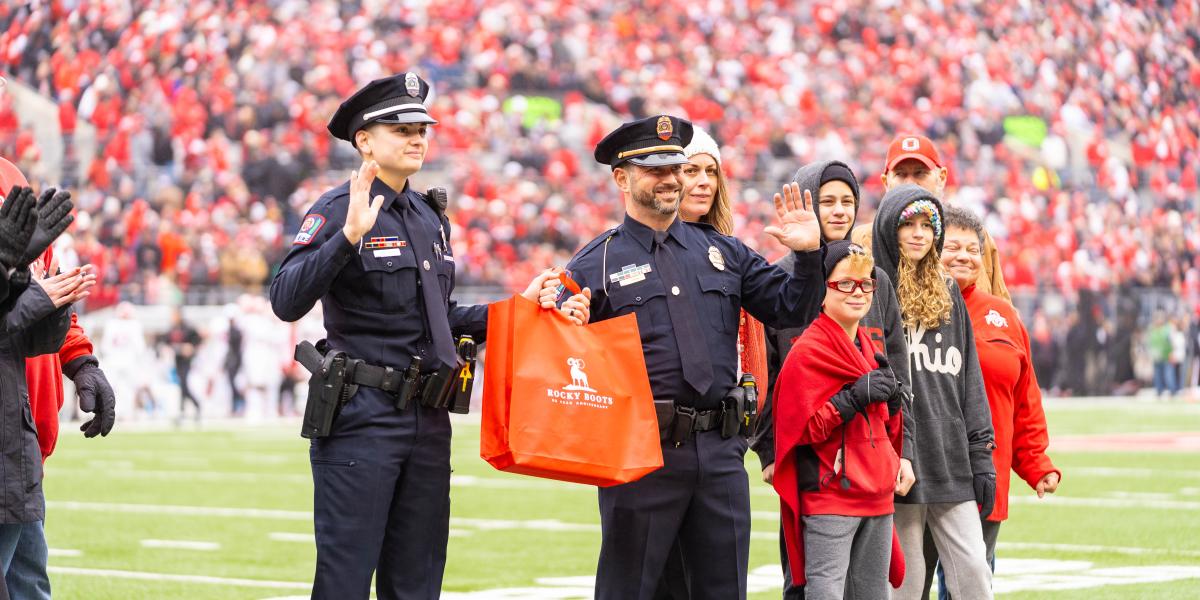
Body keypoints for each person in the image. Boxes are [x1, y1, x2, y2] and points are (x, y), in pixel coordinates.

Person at [268, 72, 587, 600]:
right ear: (364, 140)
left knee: (417, 584)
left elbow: (443, 317)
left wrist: (520, 308)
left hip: (428, 418)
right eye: (401, 129)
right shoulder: (337, 208)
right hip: (362, 416)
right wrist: (347, 238)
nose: (417, 137)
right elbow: (286, 300)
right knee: (345, 582)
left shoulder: (427, 216)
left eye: (422, 128)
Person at [564, 114, 824, 600]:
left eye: (675, 168)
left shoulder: (722, 251)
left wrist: (809, 258)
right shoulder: (594, 263)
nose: (670, 179)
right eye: (653, 169)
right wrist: (567, 321)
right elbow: (563, 359)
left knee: (723, 590)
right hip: (642, 455)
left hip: (721, 451)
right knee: (630, 590)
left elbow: (791, 309)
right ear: (621, 178)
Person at [750, 159, 915, 599]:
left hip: (870, 460)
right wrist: (769, 449)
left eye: (848, 201)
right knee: (806, 580)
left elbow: (897, 372)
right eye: (827, 200)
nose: (839, 210)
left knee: (868, 585)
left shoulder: (874, 279)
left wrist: (905, 450)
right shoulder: (779, 277)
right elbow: (763, 371)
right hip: (807, 454)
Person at [655, 125, 769, 599]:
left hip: (724, 434)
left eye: (710, 171)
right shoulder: (634, 251)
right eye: (689, 169)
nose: (702, 181)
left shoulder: (732, 253)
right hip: (660, 440)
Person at [870, 184, 995, 600]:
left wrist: (982, 455)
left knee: (974, 571)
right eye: (910, 225)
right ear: (890, 227)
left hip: (950, 455)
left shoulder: (950, 290)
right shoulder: (871, 289)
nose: (920, 234)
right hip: (897, 457)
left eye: (928, 226)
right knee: (907, 581)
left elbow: (969, 380)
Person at [1, 162, 115, 600]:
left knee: (29, 584)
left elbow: (50, 289)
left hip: (23, 441)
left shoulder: (9, 176)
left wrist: (82, 362)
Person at [935, 205, 1060, 599]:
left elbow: (1025, 398)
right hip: (925, 472)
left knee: (971, 582)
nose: (963, 256)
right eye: (952, 246)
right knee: (910, 584)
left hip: (985, 475)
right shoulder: (907, 309)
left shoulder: (1003, 315)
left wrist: (1036, 463)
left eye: (972, 249)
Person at [774, 240, 906, 599]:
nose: (857, 292)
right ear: (823, 290)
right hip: (833, 495)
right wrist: (849, 400)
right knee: (826, 593)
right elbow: (801, 430)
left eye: (865, 283)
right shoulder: (808, 350)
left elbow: (883, 425)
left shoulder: (869, 346)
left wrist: (892, 405)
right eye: (845, 283)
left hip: (877, 493)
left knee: (872, 595)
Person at [852, 134, 1010, 302]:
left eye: (920, 173)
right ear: (885, 182)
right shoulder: (863, 238)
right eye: (900, 174)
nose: (910, 183)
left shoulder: (974, 237)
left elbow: (1002, 312)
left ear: (941, 178)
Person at [161, 307, 201, 425]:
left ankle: (195, 405)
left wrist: (191, 348)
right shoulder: (172, 329)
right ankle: (182, 411)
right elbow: (165, 341)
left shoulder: (187, 328)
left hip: (186, 361)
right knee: (181, 386)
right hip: (177, 360)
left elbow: (197, 340)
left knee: (183, 384)